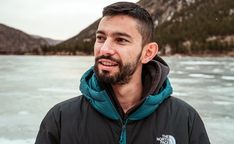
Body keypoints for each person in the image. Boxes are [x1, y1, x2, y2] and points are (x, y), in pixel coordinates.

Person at [35, 2, 210, 144]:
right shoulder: (61, 119)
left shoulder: (184, 120)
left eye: (120, 40)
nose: (105, 49)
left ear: (148, 53)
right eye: (100, 38)